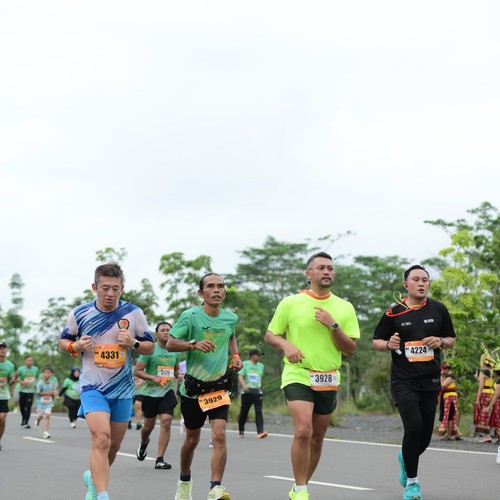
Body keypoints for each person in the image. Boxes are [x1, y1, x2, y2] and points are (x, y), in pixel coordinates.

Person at [264, 252, 360, 500]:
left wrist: (333, 325)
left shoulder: (344, 307)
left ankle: (300, 486)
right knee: (304, 430)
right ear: (309, 274)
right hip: (298, 374)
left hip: (328, 377)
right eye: (321, 267)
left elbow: (350, 349)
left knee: (317, 438)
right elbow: (271, 335)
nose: (327, 272)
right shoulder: (290, 303)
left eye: (330, 268)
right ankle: (301, 490)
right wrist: (286, 345)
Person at [59, 262, 155, 500]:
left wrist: (133, 342)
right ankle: (102, 495)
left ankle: (94, 480)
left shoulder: (133, 313)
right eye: (105, 288)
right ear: (95, 287)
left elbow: (150, 347)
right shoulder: (80, 313)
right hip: (92, 386)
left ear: (122, 288)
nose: (110, 293)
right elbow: (63, 341)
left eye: (115, 288)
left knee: (113, 446)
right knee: (101, 438)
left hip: (122, 389)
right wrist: (76, 346)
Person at [373, 264, 456, 500]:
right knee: (414, 426)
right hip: (404, 381)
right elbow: (377, 341)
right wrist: (388, 344)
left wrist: (440, 341)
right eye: (416, 279)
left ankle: (405, 457)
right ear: (405, 284)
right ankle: (412, 483)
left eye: (425, 280)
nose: (421, 284)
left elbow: (451, 339)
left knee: (425, 438)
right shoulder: (394, 313)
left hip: (430, 380)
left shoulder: (438, 309)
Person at [166, 272, 243, 500]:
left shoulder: (230, 318)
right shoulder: (190, 316)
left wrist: (235, 356)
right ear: (201, 293)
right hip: (193, 389)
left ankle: (215, 487)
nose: (216, 290)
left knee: (219, 435)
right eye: (210, 286)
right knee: (192, 440)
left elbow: (231, 336)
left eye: (220, 286)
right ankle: (184, 481)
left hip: (219, 388)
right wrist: (193, 344)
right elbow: (170, 343)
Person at [134, 321, 180, 470]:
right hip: (150, 393)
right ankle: (144, 443)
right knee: (148, 427)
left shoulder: (175, 351)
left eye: (168, 330)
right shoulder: (150, 350)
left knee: (166, 421)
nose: (166, 332)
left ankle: (160, 459)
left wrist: (179, 375)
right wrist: (153, 378)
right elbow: (137, 371)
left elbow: (175, 370)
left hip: (167, 391)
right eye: (163, 330)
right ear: (156, 334)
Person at [237, 348, 267, 439]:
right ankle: (241, 430)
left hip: (257, 391)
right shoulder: (245, 364)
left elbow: (261, 378)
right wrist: (244, 385)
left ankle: (260, 431)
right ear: (252, 355)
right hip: (247, 391)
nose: (260, 357)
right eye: (258, 355)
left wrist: (261, 388)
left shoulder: (261, 366)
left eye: (260, 355)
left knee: (258, 411)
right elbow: (240, 376)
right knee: (244, 412)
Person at [438, 362, 463, 440]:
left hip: (450, 397)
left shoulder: (450, 377)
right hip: (448, 397)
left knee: (450, 416)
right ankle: (456, 433)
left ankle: (449, 435)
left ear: (446, 369)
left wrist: (441, 376)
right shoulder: (448, 376)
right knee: (449, 416)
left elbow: (442, 385)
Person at [474, 353, 495, 442]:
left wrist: (477, 399)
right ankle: (488, 435)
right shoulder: (492, 372)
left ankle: (487, 436)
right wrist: (477, 378)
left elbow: (481, 387)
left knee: (484, 413)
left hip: (485, 394)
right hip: (492, 393)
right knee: (489, 414)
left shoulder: (483, 372)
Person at [16, 355, 39, 429]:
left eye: (31, 361)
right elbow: (15, 378)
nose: (30, 362)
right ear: (25, 361)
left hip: (31, 391)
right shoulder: (21, 369)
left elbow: (37, 377)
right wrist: (21, 382)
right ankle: (23, 418)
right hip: (22, 390)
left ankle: (26, 421)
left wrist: (36, 384)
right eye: (29, 360)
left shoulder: (35, 369)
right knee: (22, 406)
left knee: (28, 406)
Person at [0, 340, 16, 451]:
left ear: (6, 350)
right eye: (0, 348)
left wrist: (12, 381)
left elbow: (10, 381)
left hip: (3, 395)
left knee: (2, 419)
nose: (2, 350)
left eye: (4, 348)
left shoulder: (10, 365)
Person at [34, 367, 58, 438]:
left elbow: (54, 391)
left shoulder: (52, 383)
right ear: (43, 374)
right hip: (40, 402)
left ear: (51, 374)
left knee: (47, 415)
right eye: (45, 373)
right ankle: (37, 423)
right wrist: (48, 393)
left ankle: (46, 432)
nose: (47, 374)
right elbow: (38, 393)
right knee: (40, 416)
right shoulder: (40, 383)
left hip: (49, 402)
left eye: (48, 372)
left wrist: (55, 392)